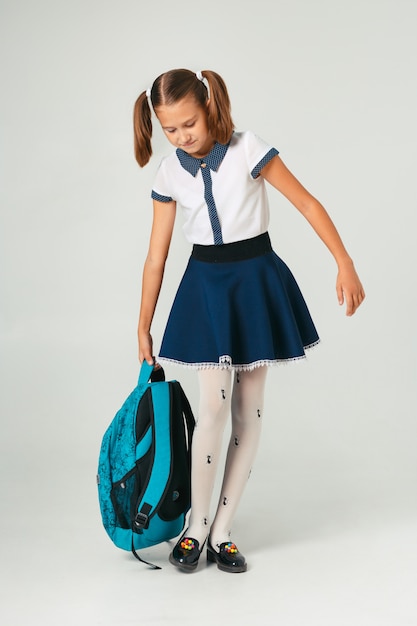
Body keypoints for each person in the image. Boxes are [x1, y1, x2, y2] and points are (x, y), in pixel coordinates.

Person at [133, 69, 365, 573]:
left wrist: (343, 261)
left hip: (256, 281)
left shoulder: (247, 148)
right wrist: (143, 322)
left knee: (248, 408)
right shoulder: (170, 173)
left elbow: (305, 202)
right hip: (205, 288)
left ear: (209, 106)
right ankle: (195, 527)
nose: (181, 137)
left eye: (189, 124)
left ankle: (222, 529)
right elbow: (157, 256)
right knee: (212, 407)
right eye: (169, 129)